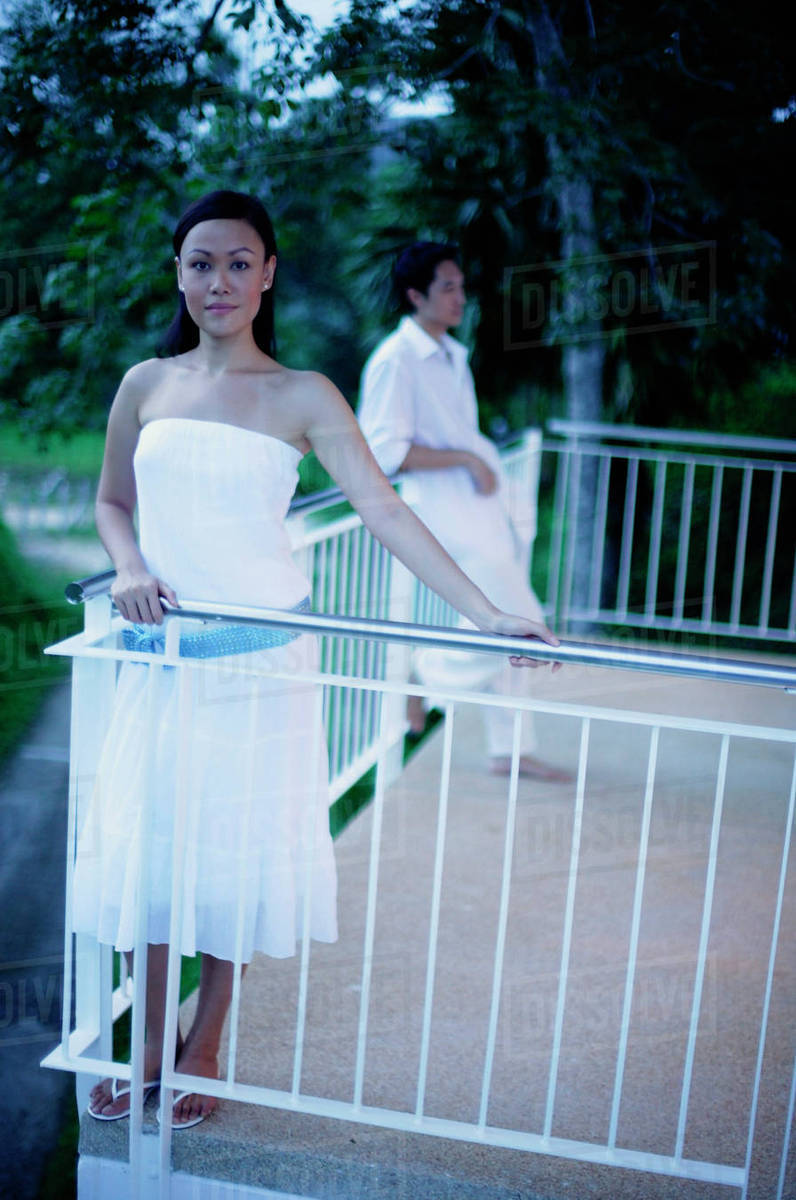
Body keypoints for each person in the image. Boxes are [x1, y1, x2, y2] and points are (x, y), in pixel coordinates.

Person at [77, 191, 559, 1129]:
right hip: (164, 659)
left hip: (261, 663)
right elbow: (110, 502)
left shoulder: (304, 393)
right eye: (201, 262)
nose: (219, 280)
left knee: (230, 850)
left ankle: (209, 1031)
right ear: (178, 273)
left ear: (266, 276)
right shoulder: (146, 383)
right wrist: (129, 566)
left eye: (239, 262)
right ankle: (144, 1036)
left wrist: (488, 613)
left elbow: (384, 511)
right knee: (153, 847)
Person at [358, 242, 571, 781]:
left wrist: (479, 463)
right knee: (519, 625)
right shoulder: (394, 360)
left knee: (519, 620)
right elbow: (382, 452)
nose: (460, 298)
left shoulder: (453, 353)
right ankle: (423, 678)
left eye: (461, 286)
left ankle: (510, 750)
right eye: (447, 287)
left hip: (481, 513)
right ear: (415, 295)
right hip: (442, 518)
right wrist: (465, 460)